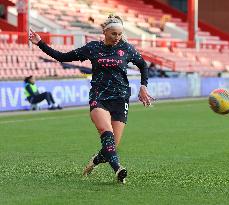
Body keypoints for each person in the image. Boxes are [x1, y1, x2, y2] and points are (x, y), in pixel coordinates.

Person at [29, 14, 153, 184]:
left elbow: (143, 65)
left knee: (110, 148)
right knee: (106, 133)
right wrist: (40, 43)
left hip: (120, 99)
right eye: (113, 34)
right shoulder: (93, 48)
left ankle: (95, 160)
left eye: (119, 34)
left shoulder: (127, 49)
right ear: (105, 31)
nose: (117, 38)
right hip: (99, 97)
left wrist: (143, 86)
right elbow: (62, 57)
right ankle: (118, 170)